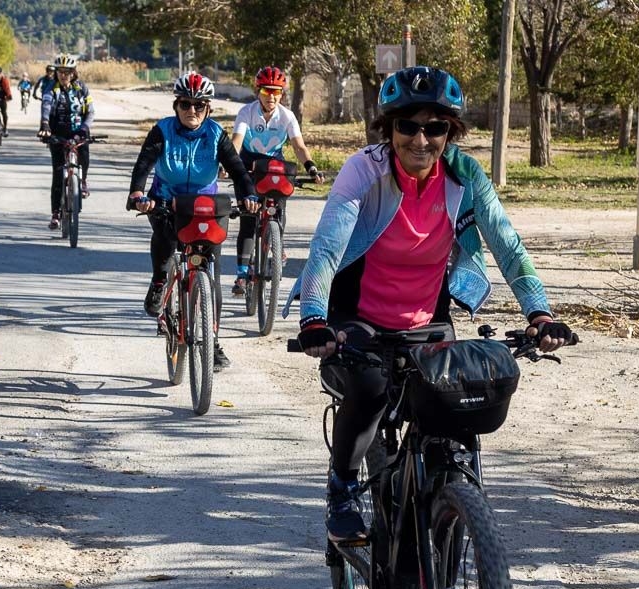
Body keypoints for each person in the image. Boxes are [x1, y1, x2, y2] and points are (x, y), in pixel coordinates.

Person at [293, 65, 574, 547]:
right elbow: (327, 247)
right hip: (355, 317)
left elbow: (507, 244)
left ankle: (452, 513)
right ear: (389, 127)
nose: (420, 139)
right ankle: (342, 491)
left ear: (451, 131)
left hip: (427, 318)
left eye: (435, 127)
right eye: (408, 125)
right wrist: (314, 318)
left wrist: (539, 312)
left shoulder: (464, 174)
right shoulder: (365, 169)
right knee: (370, 387)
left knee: (456, 401)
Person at [127, 72, 259, 372]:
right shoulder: (162, 131)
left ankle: (212, 342)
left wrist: (249, 194)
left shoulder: (215, 134)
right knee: (165, 239)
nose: (192, 111)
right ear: (176, 106)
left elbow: (237, 170)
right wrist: (137, 193)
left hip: (203, 208)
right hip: (166, 201)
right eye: (185, 104)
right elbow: (143, 164)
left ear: (208, 109)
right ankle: (160, 281)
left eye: (199, 105)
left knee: (211, 281)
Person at [228, 65, 322, 297]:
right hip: (249, 165)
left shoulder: (287, 116)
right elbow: (237, 141)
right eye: (267, 91)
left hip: (273, 167)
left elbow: (298, 146)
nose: (271, 96)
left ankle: (277, 244)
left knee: (278, 208)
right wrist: (229, 165)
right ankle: (242, 273)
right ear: (258, 91)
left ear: (282, 94)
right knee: (249, 218)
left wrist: (311, 167)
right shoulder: (247, 113)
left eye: (277, 92)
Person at [39, 54, 95, 229]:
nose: (63, 75)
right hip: (58, 135)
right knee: (57, 174)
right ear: (56, 73)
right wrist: (45, 125)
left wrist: (84, 128)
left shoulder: (81, 89)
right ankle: (55, 213)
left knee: (84, 153)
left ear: (73, 73)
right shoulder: (51, 89)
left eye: (67, 72)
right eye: (60, 72)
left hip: (79, 132)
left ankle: (82, 181)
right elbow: (46, 106)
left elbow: (90, 111)